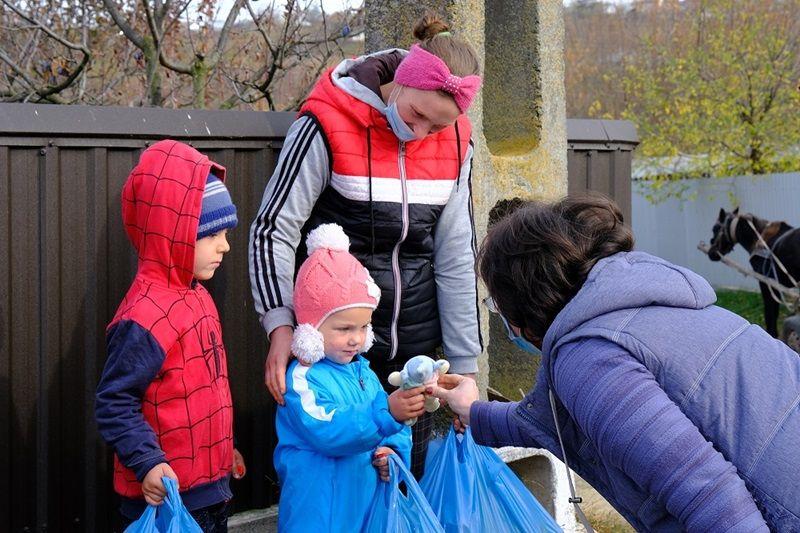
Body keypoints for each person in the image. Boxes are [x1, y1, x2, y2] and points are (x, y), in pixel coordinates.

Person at [432, 195, 800, 532]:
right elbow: (565, 421)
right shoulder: (650, 303)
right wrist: (474, 411)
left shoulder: (589, 360)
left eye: (497, 305)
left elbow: (715, 504)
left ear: (522, 303)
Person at [249, 13, 483, 477]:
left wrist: (466, 369)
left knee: (403, 486)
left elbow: (456, 255)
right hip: (335, 359)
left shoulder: (459, 141)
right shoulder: (325, 122)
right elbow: (273, 229)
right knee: (340, 486)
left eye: (436, 128)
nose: (421, 134)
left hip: (416, 361)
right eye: (416, 115)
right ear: (403, 80)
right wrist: (280, 326)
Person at [95, 140, 245, 532]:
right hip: (166, 500)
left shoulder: (198, 296)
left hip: (211, 490)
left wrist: (221, 450)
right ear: (173, 232)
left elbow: (205, 390)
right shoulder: (144, 315)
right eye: (212, 234)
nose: (225, 245)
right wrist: (147, 463)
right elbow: (114, 402)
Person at [274, 223, 420, 532]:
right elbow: (330, 431)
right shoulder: (302, 380)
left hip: (363, 510)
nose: (356, 338)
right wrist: (387, 414)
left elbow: (389, 427)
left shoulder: (364, 373)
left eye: (364, 327)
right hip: (318, 517)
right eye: (344, 328)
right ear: (311, 328)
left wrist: (392, 452)